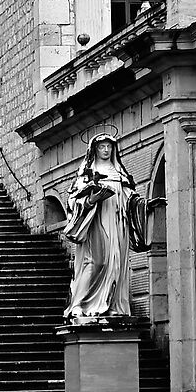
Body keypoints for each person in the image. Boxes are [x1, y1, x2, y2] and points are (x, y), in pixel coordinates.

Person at [61, 136, 149, 323]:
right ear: (95, 150)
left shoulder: (121, 174)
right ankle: (79, 304)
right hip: (97, 223)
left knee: (116, 265)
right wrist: (92, 199)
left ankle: (112, 305)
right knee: (96, 262)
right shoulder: (87, 174)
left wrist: (146, 207)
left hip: (118, 224)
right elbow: (72, 201)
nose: (106, 150)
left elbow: (131, 200)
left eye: (109, 146)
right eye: (102, 146)